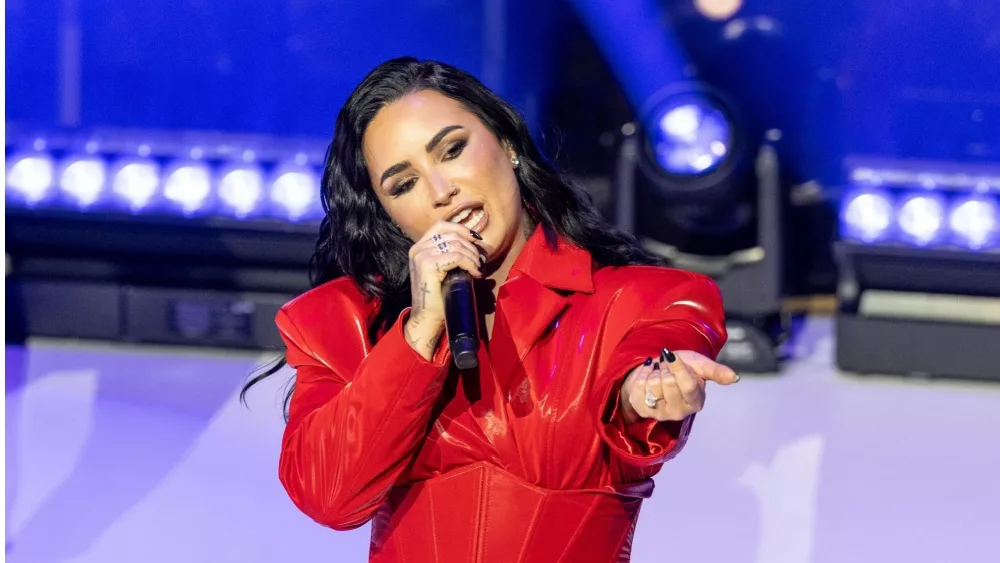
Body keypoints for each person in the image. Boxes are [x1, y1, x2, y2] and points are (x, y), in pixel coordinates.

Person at [242, 57, 738, 562]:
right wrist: (419, 332)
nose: (441, 192)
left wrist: (644, 394)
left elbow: (646, 365)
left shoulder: (641, 302)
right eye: (404, 184)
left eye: (452, 150)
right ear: (387, 213)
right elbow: (328, 497)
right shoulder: (342, 323)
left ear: (506, 143)